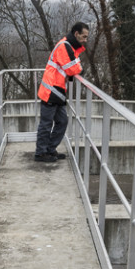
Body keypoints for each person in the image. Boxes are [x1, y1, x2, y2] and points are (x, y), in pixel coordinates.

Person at [34, 22, 89, 163]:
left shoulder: (70, 47)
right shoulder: (64, 46)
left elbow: (75, 66)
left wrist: (77, 66)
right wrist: (78, 67)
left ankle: (50, 149)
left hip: (57, 90)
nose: (85, 40)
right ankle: (41, 153)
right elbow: (73, 69)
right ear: (76, 34)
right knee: (46, 124)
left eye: (86, 37)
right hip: (51, 89)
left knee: (62, 121)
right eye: (83, 37)